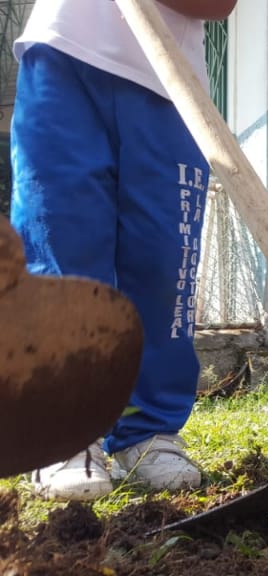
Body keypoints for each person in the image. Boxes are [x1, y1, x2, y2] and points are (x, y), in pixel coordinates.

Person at [10, 0, 238, 501]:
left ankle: (148, 431)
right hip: (65, 50)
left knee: (163, 263)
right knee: (63, 243)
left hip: (168, 80)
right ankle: (63, 433)